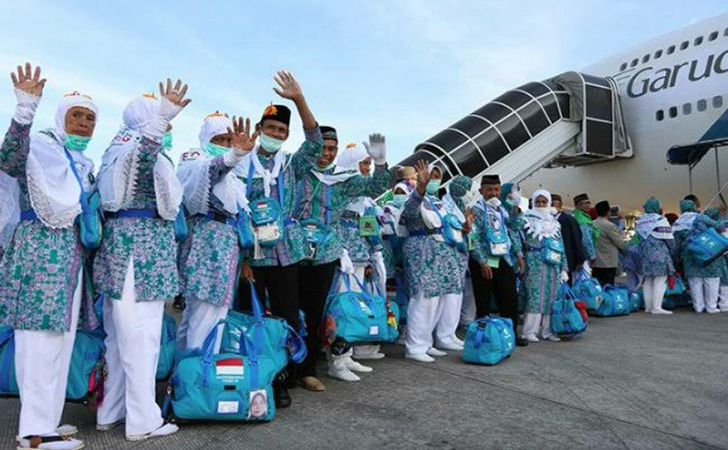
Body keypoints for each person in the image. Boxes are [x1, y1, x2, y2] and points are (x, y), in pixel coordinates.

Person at [0, 64, 97, 450]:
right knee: (38, 342)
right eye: (77, 115)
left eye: (91, 118)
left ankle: (49, 422)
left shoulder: (81, 164)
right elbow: (8, 159)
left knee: (59, 341)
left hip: (69, 262)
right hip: (39, 255)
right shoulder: (40, 146)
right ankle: (33, 433)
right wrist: (24, 111)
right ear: (60, 117)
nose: (85, 123)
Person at [93, 80, 191, 441]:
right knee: (141, 340)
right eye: (163, 120)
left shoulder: (115, 148)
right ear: (146, 121)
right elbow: (143, 159)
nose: (169, 128)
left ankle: (112, 410)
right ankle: (142, 421)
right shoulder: (135, 147)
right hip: (140, 255)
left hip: (128, 253)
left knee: (120, 340)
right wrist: (160, 119)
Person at [236, 71, 324, 395]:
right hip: (253, 253)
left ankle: (290, 375)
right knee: (253, 316)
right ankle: (258, 376)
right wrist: (243, 258)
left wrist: (298, 99)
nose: (275, 133)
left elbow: (315, 143)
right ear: (260, 130)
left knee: (288, 314)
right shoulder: (241, 161)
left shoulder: (290, 165)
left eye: (281, 130)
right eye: (270, 128)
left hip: (285, 251)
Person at [293, 128, 390, 383]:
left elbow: (377, 186)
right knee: (292, 310)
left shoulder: (342, 181)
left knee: (320, 311)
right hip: (294, 250)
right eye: (322, 147)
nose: (325, 154)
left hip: (326, 253)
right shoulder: (299, 173)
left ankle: (309, 369)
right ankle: (288, 369)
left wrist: (380, 163)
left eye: (331, 149)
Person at [175, 113, 256, 350]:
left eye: (229, 140)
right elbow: (208, 173)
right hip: (206, 244)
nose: (226, 145)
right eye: (220, 139)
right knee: (206, 315)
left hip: (224, 247)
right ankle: (199, 374)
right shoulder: (195, 159)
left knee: (200, 314)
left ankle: (185, 373)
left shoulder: (235, 176)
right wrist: (234, 155)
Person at [401, 161, 470, 362]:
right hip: (423, 252)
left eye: (437, 177)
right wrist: (420, 188)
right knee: (423, 300)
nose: (434, 180)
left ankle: (426, 342)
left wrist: (464, 229)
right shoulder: (414, 196)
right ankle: (415, 347)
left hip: (441, 254)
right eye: (432, 176)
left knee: (437, 300)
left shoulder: (439, 202)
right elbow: (410, 213)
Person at [469, 175, 529, 347]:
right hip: (484, 261)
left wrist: (518, 254)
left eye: (496, 189)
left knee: (510, 298)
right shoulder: (476, 210)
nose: (493, 193)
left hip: (503, 259)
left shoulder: (502, 209)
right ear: (481, 191)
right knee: (484, 299)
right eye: (489, 189)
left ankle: (511, 332)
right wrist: (481, 261)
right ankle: (484, 335)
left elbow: (514, 229)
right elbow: (473, 238)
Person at [519, 190, 568, 342]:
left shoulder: (555, 223)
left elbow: (561, 245)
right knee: (535, 295)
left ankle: (548, 330)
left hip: (553, 263)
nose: (541, 205)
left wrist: (564, 268)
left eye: (544, 202)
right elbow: (517, 237)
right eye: (538, 202)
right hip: (534, 261)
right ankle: (529, 331)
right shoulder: (526, 219)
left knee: (552, 296)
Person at [634, 197, 676, 315]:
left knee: (647, 280)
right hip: (660, 255)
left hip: (645, 255)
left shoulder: (640, 221)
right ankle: (657, 307)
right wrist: (673, 252)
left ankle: (648, 307)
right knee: (660, 280)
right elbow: (669, 239)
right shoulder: (660, 219)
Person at [683, 206, 725, 314]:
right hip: (711, 259)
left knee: (695, 281)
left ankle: (698, 306)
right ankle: (711, 307)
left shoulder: (686, 224)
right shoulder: (713, 228)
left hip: (691, 257)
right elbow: (721, 226)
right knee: (712, 282)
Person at [551, 194, 585, 283]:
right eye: (552, 205)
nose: (554, 207)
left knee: (565, 285)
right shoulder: (547, 221)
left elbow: (577, 239)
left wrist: (580, 260)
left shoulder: (569, 220)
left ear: (561, 205)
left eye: (556, 205)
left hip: (567, 259)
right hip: (552, 260)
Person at [592, 200, 627, 287]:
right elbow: (620, 243)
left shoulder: (592, 224)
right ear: (608, 212)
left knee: (597, 287)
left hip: (596, 262)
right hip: (608, 263)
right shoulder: (610, 226)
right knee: (608, 288)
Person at [572, 193, 597, 271]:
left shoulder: (574, 215)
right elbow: (586, 240)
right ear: (577, 206)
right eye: (582, 204)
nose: (587, 205)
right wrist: (592, 255)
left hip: (575, 255)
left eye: (588, 203)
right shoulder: (582, 220)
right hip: (583, 256)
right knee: (584, 280)